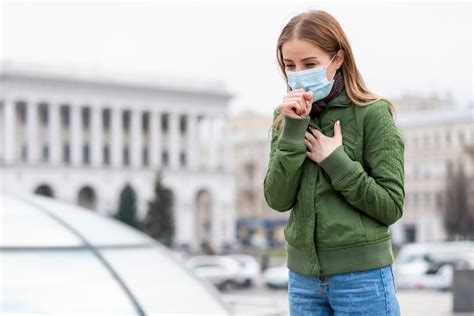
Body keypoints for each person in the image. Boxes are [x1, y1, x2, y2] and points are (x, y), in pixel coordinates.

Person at [263, 9, 405, 315]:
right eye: (290, 65)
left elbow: (391, 205)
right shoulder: (283, 119)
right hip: (303, 282)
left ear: (337, 59)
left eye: (310, 64)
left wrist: (336, 162)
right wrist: (292, 131)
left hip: (363, 280)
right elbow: (277, 199)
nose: (298, 73)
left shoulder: (373, 113)